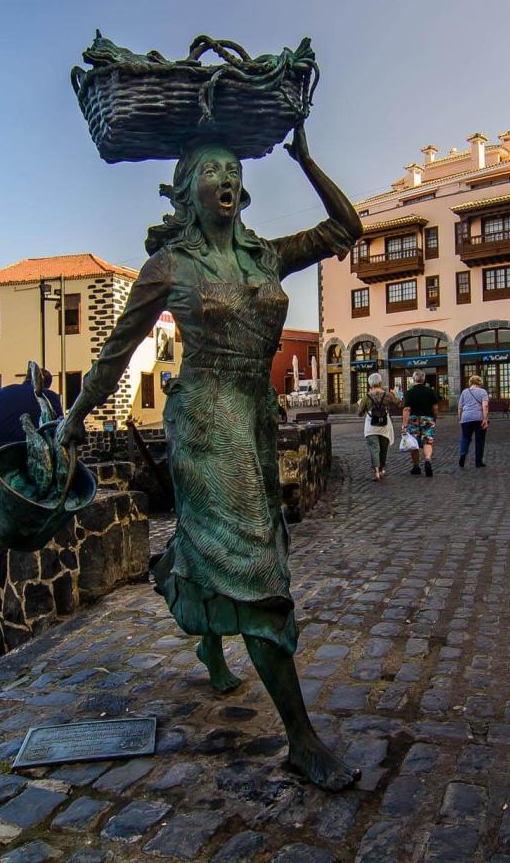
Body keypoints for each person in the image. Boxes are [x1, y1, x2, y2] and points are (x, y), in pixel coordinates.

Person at [55, 127, 360, 790]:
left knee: (248, 544)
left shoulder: (266, 257)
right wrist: (76, 416)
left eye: (231, 169)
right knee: (254, 564)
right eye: (209, 169)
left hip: (253, 418)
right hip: (203, 424)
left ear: (241, 189)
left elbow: (346, 226)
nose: (222, 177)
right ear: (189, 191)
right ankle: (301, 737)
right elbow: (114, 353)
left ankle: (208, 634)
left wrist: (306, 157)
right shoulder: (170, 266)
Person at [0, 373, 62, 458]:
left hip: (2, 456)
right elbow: (60, 429)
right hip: (38, 455)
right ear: (47, 385)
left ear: (26, 378)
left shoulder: (1, 393)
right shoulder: (50, 397)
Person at [356, 372, 396, 481]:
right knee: (383, 449)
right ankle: (382, 469)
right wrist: (394, 394)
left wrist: (362, 405)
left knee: (374, 449)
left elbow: (359, 413)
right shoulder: (387, 395)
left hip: (371, 426)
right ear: (380, 382)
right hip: (384, 426)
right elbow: (398, 404)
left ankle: (377, 472)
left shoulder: (366, 397)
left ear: (370, 384)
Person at [402, 369, 440, 477]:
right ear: (424, 379)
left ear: (414, 379)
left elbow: (406, 409)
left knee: (414, 444)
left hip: (413, 419)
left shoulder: (410, 392)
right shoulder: (430, 391)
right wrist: (434, 418)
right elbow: (435, 407)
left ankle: (416, 467)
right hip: (428, 419)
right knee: (428, 442)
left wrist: (404, 425)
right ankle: (427, 460)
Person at [457, 374, 489, 469]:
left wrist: (460, 419)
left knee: (465, 438)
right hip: (479, 418)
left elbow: (460, 407)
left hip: (466, 418)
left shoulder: (464, 392)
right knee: (480, 440)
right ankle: (478, 462)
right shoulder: (483, 392)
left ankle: (463, 454)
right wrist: (485, 419)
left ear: (470, 382)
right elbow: (485, 406)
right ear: (480, 382)